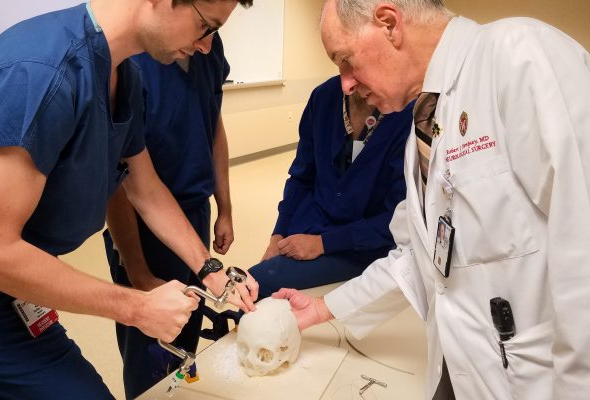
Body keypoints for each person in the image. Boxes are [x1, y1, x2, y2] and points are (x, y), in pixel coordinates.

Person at [274, 1, 590, 399]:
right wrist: (321, 310)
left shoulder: (518, 57)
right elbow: (416, 256)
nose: (346, 83)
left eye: (346, 60)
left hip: (536, 380)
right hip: (460, 368)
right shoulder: (424, 124)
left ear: (389, 23)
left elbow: (583, 241)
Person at [0, 1, 257, 398]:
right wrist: (135, 306)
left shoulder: (121, 75)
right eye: (205, 26)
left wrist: (211, 269)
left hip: (16, 297)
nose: (205, 47)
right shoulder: (43, 72)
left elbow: (145, 189)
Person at [103, 29, 244, 398]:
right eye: (204, 25)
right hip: (138, 229)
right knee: (149, 352)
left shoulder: (208, 51)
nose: (208, 42)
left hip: (191, 216)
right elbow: (122, 181)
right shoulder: (128, 62)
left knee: (186, 337)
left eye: (217, 28)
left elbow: (212, 125)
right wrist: (138, 272)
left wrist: (223, 209)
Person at [250, 75, 413, 298]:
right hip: (311, 226)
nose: (347, 82)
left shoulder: (406, 113)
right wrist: (277, 235)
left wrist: (324, 244)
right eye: (338, 60)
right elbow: (301, 176)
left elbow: (398, 217)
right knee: (253, 282)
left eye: (351, 59)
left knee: (259, 281)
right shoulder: (324, 97)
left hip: (362, 244)